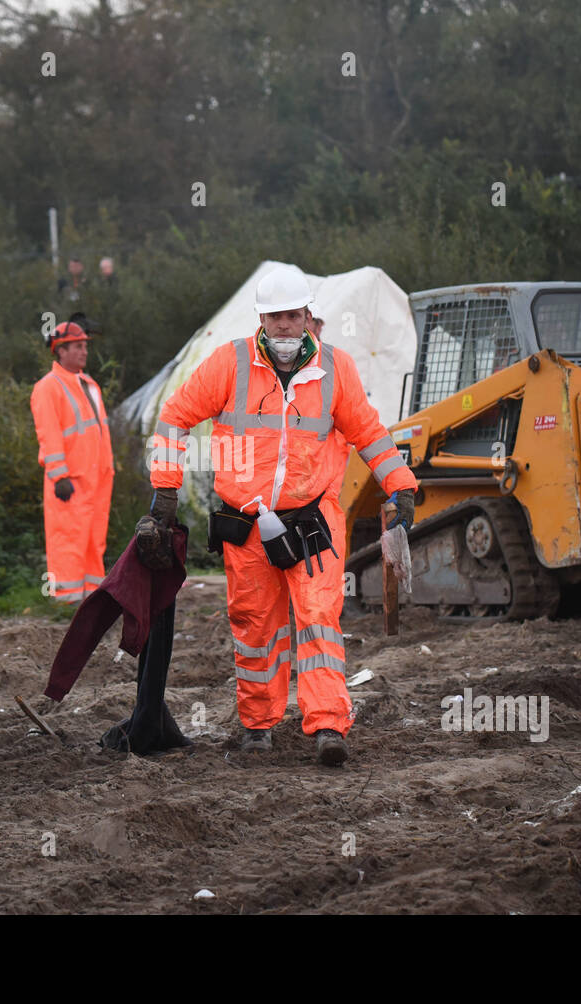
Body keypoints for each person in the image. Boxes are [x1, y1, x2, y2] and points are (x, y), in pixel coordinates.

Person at [139, 265, 418, 765]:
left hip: (314, 522)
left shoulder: (335, 369)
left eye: (294, 315)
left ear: (309, 315)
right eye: (276, 316)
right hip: (246, 527)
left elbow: (370, 435)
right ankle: (258, 726)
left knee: (318, 622)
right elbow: (174, 416)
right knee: (255, 627)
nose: (285, 325)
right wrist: (165, 491)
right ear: (261, 318)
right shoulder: (229, 364)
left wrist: (401, 486)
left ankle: (329, 726)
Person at [30, 316, 114, 604]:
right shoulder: (47, 387)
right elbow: (49, 434)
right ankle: (65, 600)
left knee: (93, 540)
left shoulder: (90, 384)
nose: (84, 351)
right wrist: (59, 475)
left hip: (98, 478)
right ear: (60, 351)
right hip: (70, 480)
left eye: (84, 346)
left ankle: (90, 599)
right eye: (77, 346)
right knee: (67, 540)